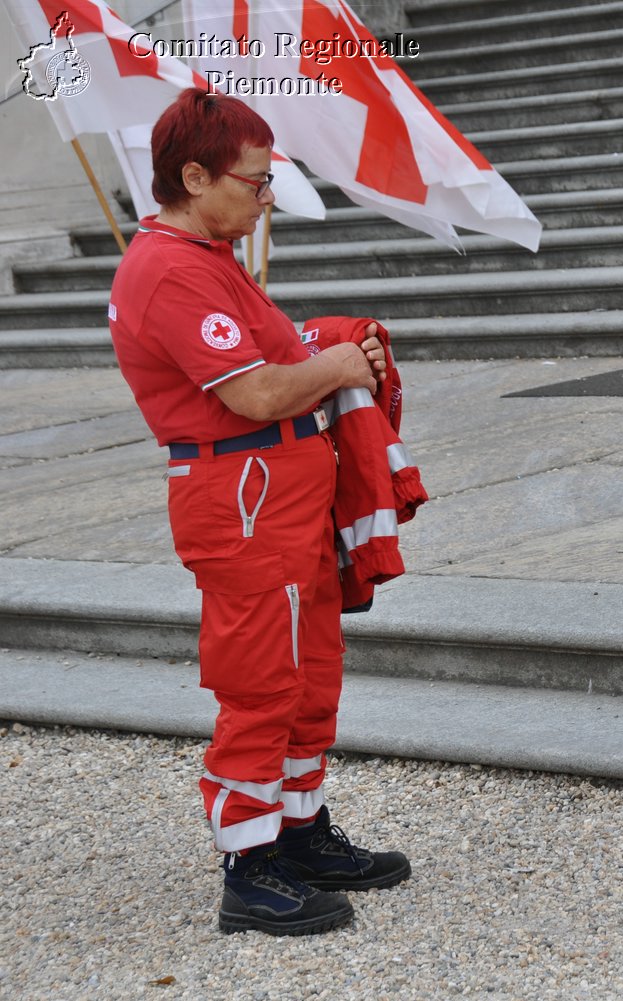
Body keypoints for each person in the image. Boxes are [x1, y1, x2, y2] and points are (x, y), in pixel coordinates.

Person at [108, 88, 408, 936]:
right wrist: (342, 361)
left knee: (310, 671)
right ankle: (250, 862)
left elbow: (275, 356)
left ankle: (298, 829)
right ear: (194, 177)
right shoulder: (168, 267)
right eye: (254, 180)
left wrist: (327, 350)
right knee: (260, 680)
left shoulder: (207, 257)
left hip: (278, 494)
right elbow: (255, 390)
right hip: (243, 498)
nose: (266, 196)